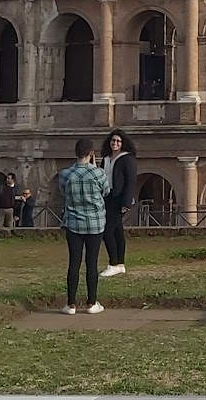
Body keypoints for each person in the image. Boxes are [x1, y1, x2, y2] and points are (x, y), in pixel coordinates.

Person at [56, 138, 110, 314]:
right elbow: (106, 192)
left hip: (73, 222)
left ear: (75, 153)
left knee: (74, 262)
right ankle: (92, 303)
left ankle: (71, 303)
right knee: (91, 263)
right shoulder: (99, 173)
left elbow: (64, 193)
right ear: (91, 153)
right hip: (95, 223)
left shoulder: (65, 174)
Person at [99, 129, 137, 277]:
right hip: (107, 196)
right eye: (113, 141)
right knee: (117, 231)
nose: (115, 143)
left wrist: (126, 202)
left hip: (120, 197)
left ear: (123, 143)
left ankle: (113, 263)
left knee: (106, 230)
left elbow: (131, 182)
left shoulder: (127, 158)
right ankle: (120, 264)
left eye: (118, 141)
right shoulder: (106, 158)